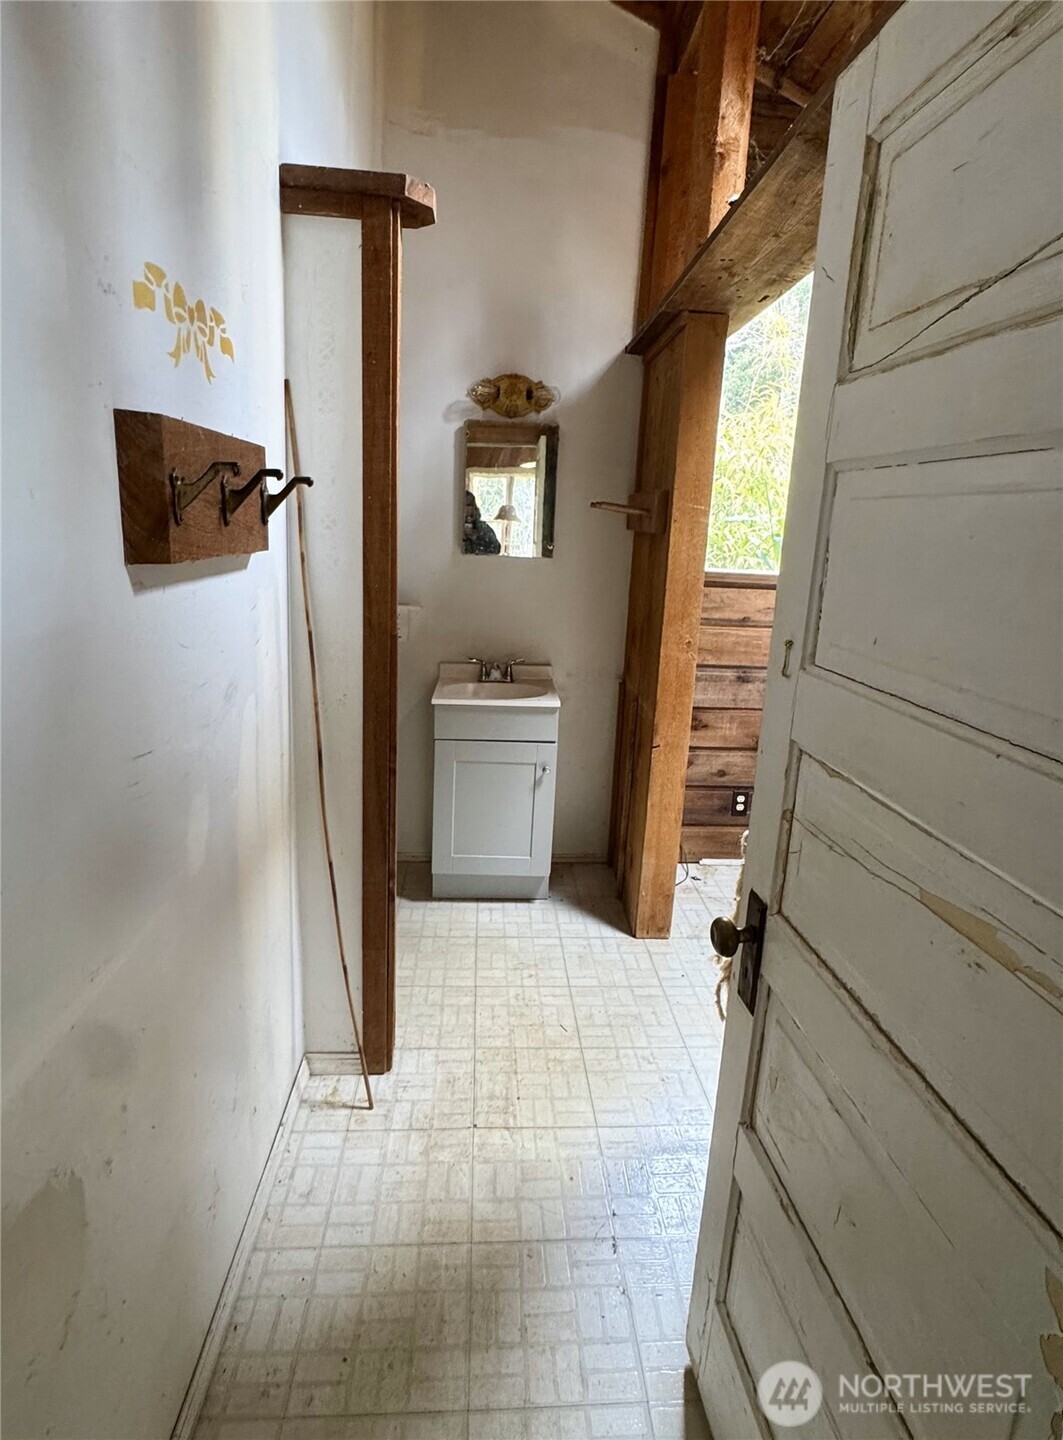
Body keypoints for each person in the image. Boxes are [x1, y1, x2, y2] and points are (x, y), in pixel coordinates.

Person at [462, 490, 501, 554]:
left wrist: (476, 538)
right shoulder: (451, 527)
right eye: (462, 505)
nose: (465, 509)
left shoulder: (482, 527)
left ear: (473, 508)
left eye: (468, 505)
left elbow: (496, 548)